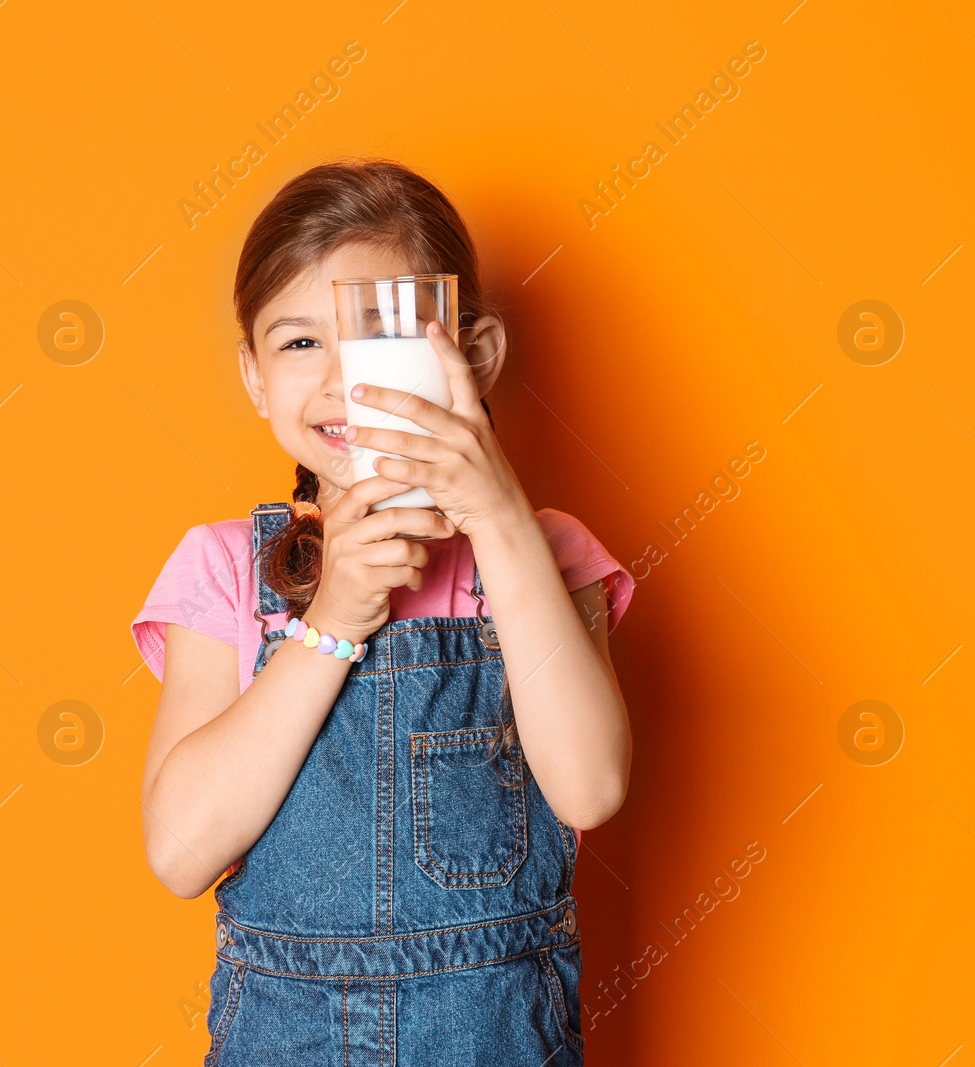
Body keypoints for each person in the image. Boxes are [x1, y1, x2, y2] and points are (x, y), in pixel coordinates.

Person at [129, 158, 633, 1065]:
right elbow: (179, 853)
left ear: (472, 357)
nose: (341, 381)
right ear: (253, 376)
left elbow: (591, 785)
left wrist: (499, 519)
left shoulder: (545, 551)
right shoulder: (226, 570)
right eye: (297, 344)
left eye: (380, 332)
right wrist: (331, 617)